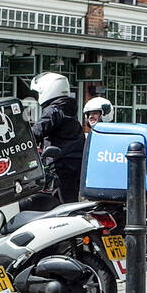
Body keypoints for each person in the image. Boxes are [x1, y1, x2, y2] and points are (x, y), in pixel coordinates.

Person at [30, 72, 85, 203]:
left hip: (62, 164)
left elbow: (38, 130)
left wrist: (23, 137)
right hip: (73, 163)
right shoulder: (66, 108)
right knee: (63, 199)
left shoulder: (54, 110)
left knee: (63, 203)